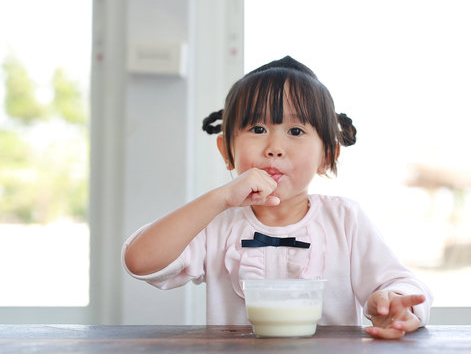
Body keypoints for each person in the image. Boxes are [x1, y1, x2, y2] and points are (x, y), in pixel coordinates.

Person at [122, 56, 432, 339]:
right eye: (257, 128)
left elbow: (400, 284)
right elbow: (140, 261)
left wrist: (393, 304)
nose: (274, 147)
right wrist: (219, 199)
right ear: (226, 152)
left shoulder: (344, 219)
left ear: (327, 155)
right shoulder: (217, 222)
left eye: (295, 131)